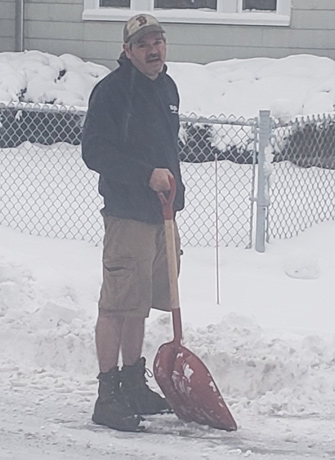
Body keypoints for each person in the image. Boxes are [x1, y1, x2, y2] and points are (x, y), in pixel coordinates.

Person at [81, 13, 185, 432]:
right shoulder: (111, 93)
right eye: (143, 44)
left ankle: (132, 382)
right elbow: (94, 152)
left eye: (158, 41)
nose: (153, 49)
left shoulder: (167, 88)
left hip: (162, 215)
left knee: (139, 304)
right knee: (117, 305)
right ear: (127, 51)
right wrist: (145, 176)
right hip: (127, 214)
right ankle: (107, 395)